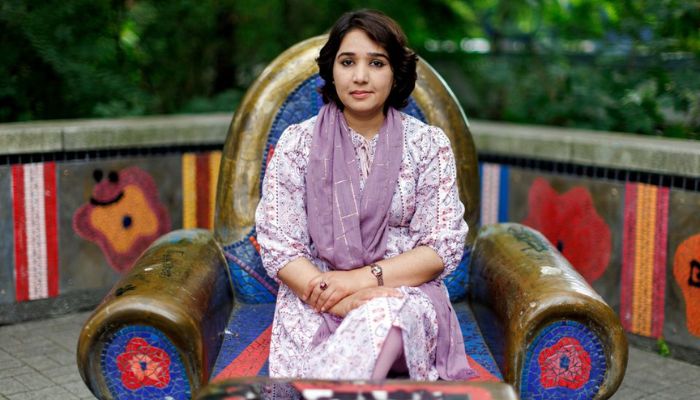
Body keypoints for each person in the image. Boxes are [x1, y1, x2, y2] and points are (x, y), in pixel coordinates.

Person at [255, 9, 477, 383]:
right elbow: (279, 246)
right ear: (332, 70)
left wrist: (361, 281)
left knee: (384, 315)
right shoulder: (297, 143)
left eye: (376, 63)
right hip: (316, 295)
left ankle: (324, 386)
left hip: (401, 293)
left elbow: (440, 248)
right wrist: (342, 298)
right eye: (347, 62)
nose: (360, 76)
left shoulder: (427, 145)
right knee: (372, 316)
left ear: (395, 74)